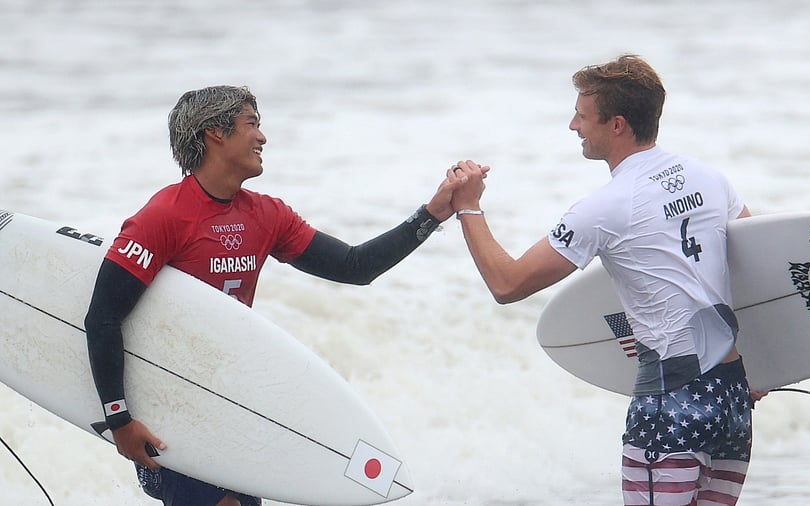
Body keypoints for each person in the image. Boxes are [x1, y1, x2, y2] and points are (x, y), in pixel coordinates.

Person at [83, 85, 475, 506]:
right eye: (251, 124)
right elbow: (103, 317)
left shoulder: (267, 215)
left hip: (238, 399)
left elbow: (355, 266)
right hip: (175, 403)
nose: (262, 137)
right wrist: (118, 419)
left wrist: (433, 213)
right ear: (215, 133)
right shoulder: (164, 217)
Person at [449, 55, 757, 506]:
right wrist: (767, 367)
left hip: (671, 405)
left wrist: (468, 206)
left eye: (582, 115)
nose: (573, 125)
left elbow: (507, 283)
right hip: (731, 397)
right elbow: (760, 268)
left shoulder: (606, 207)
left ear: (616, 125)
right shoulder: (710, 179)